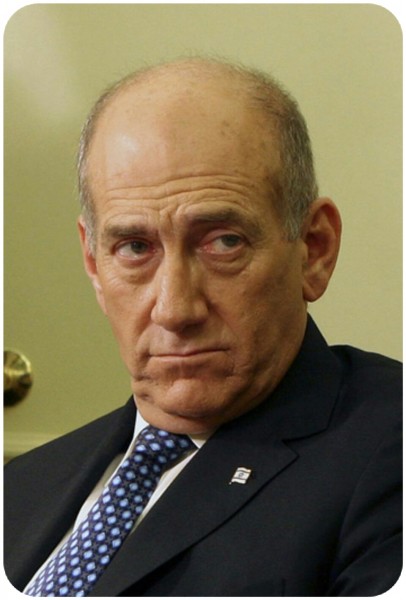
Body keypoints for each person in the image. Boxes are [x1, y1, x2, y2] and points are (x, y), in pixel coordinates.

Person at [4, 58, 401, 597]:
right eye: (135, 247)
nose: (175, 309)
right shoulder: (20, 486)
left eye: (223, 242)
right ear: (94, 265)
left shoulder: (387, 450)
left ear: (314, 250)